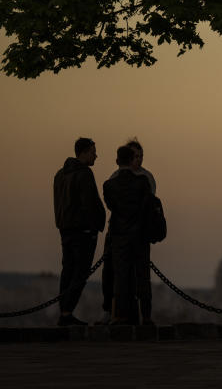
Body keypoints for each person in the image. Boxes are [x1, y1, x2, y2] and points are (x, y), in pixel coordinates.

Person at [100, 138, 157, 324]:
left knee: (120, 277)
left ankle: (119, 316)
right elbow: (147, 206)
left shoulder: (109, 185)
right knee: (143, 276)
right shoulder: (143, 182)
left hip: (119, 235)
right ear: (132, 158)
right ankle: (146, 317)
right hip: (139, 235)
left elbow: (112, 207)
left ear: (117, 161)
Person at [53, 137, 106, 326]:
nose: (96, 155)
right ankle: (67, 312)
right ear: (83, 152)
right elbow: (90, 203)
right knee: (80, 272)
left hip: (66, 230)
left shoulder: (60, 174)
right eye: (93, 151)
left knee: (68, 270)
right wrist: (96, 225)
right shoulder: (84, 174)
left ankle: (64, 312)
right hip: (83, 231)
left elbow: (58, 204)